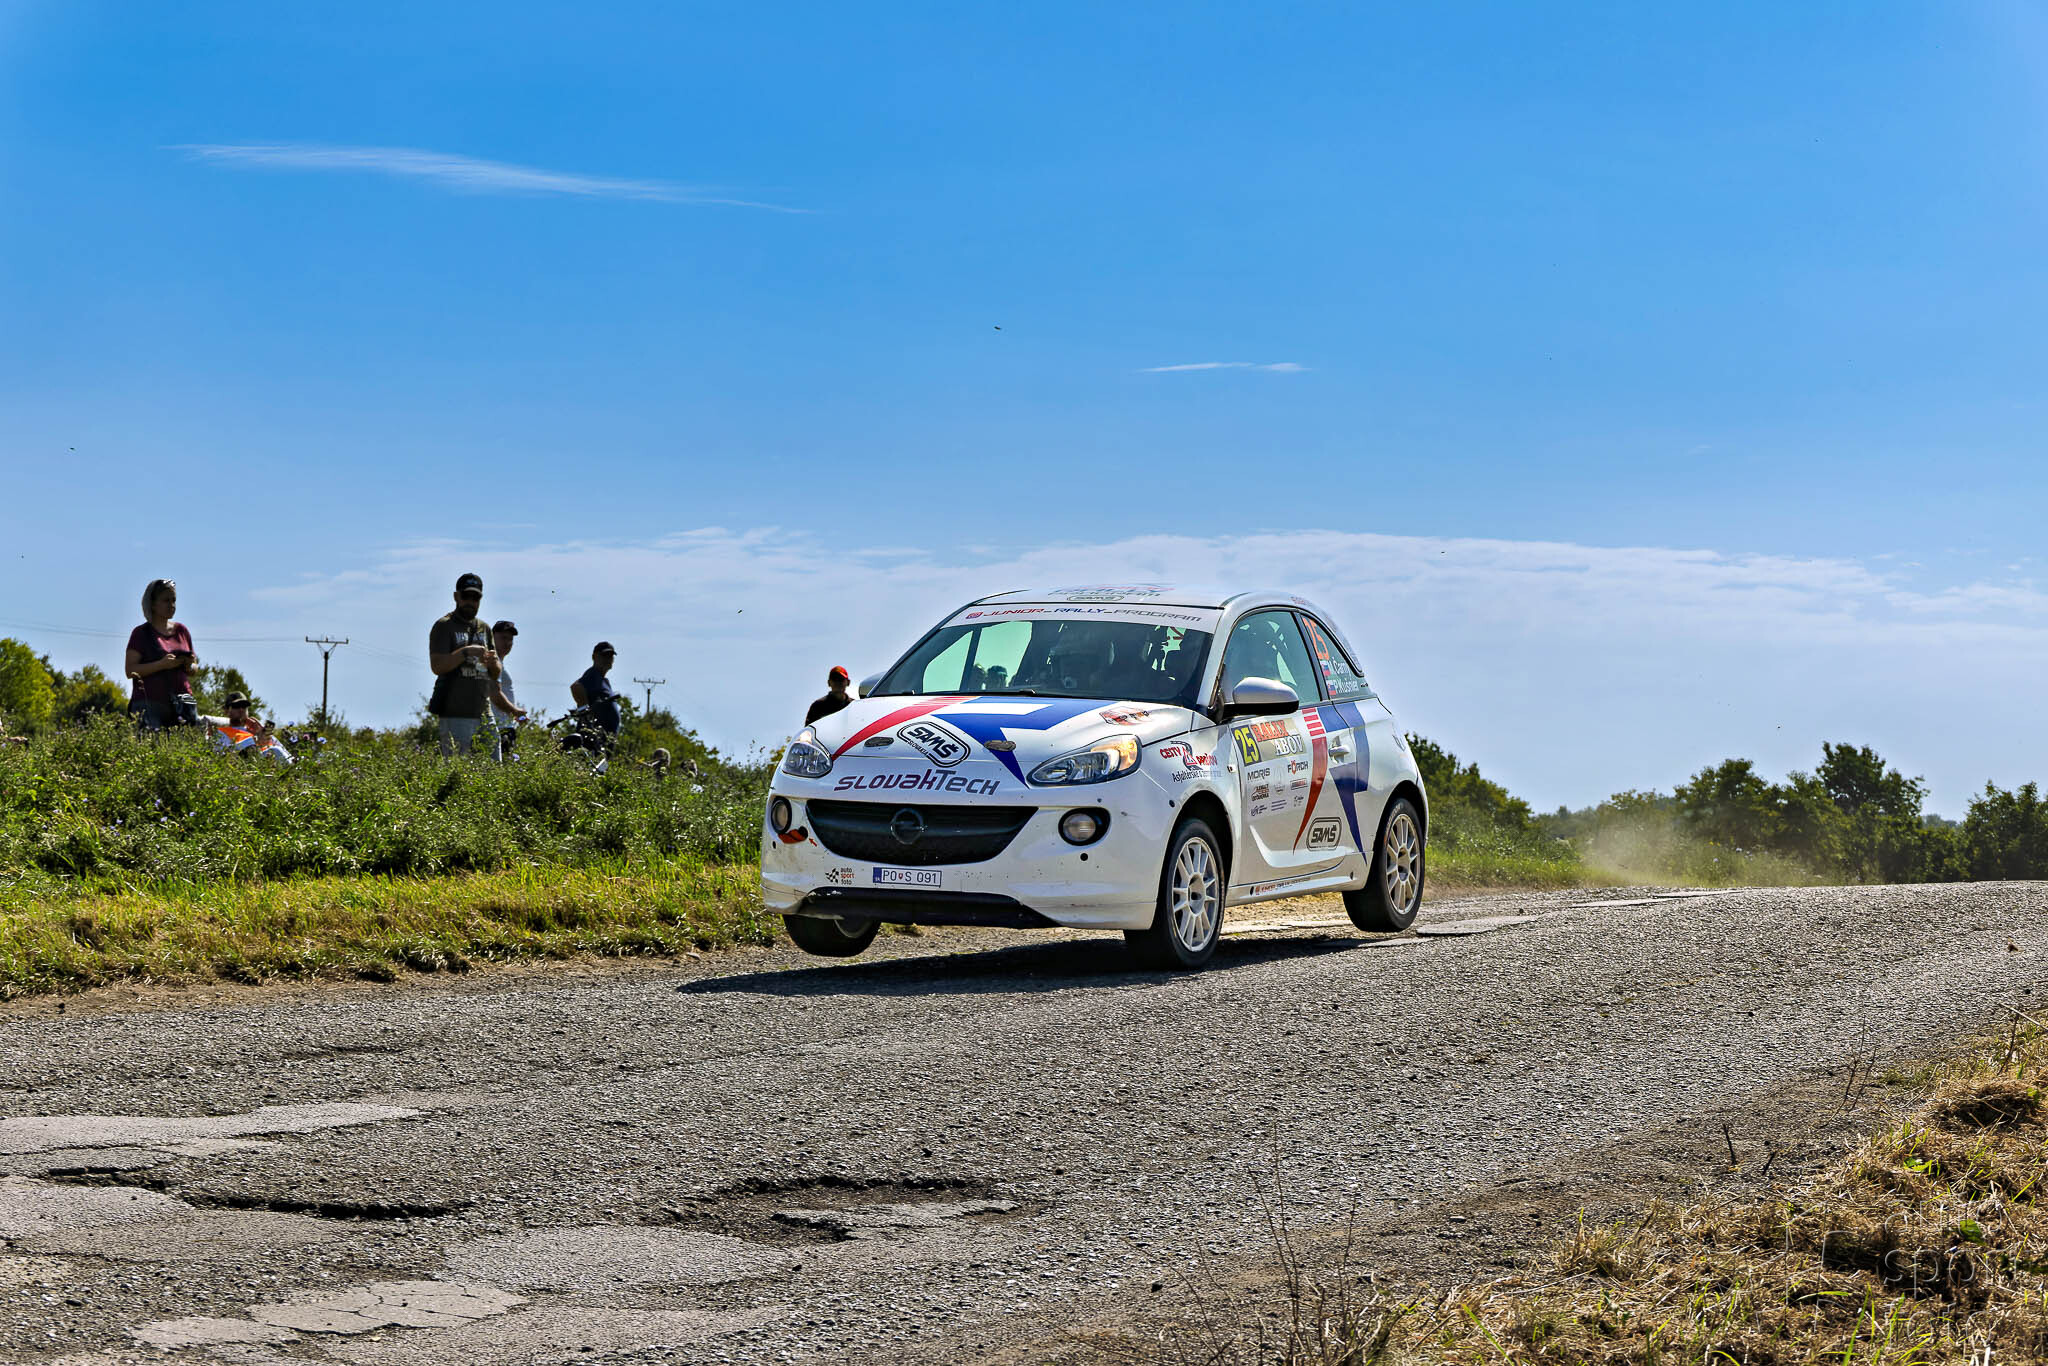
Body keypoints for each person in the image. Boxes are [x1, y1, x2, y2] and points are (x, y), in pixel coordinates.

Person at [427, 572, 503, 758]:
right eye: (466, 596)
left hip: (483, 711)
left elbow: (496, 673)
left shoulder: (484, 628)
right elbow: (437, 666)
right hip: (455, 713)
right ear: (456, 596)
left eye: (475, 598)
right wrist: (466, 652)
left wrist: (493, 663)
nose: (470, 602)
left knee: (494, 766)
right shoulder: (444, 626)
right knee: (458, 767)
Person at [125, 578, 199, 731]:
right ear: (152, 604)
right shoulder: (141, 633)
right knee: (151, 744)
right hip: (150, 704)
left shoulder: (182, 631)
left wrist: (188, 665)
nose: (171, 605)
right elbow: (130, 670)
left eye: (174, 600)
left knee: (187, 743)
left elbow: (194, 667)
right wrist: (161, 665)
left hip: (183, 702)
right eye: (166, 600)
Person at [199, 692, 293, 764]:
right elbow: (223, 758)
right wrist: (255, 741)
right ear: (226, 710)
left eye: (244, 706)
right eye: (236, 706)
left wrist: (262, 735)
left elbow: (288, 756)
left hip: (274, 767)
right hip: (251, 769)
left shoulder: (258, 730)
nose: (241, 709)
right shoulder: (221, 733)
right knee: (275, 751)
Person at [487, 619, 529, 759]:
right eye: (503, 638)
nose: (507, 643)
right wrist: (515, 711)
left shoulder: (499, 662)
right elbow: (494, 694)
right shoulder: (494, 662)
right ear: (492, 638)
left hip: (502, 725)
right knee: (500, 767)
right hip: (498, 727)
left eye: (510, 639)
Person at [570, 641, 622, 737]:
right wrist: (585, 716)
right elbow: (576, 687)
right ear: (594, 657)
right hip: (592, 739)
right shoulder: (593, 674)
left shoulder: (604, 680)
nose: (607, 659)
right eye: (604, 655)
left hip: (604, 739)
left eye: (610, 656)